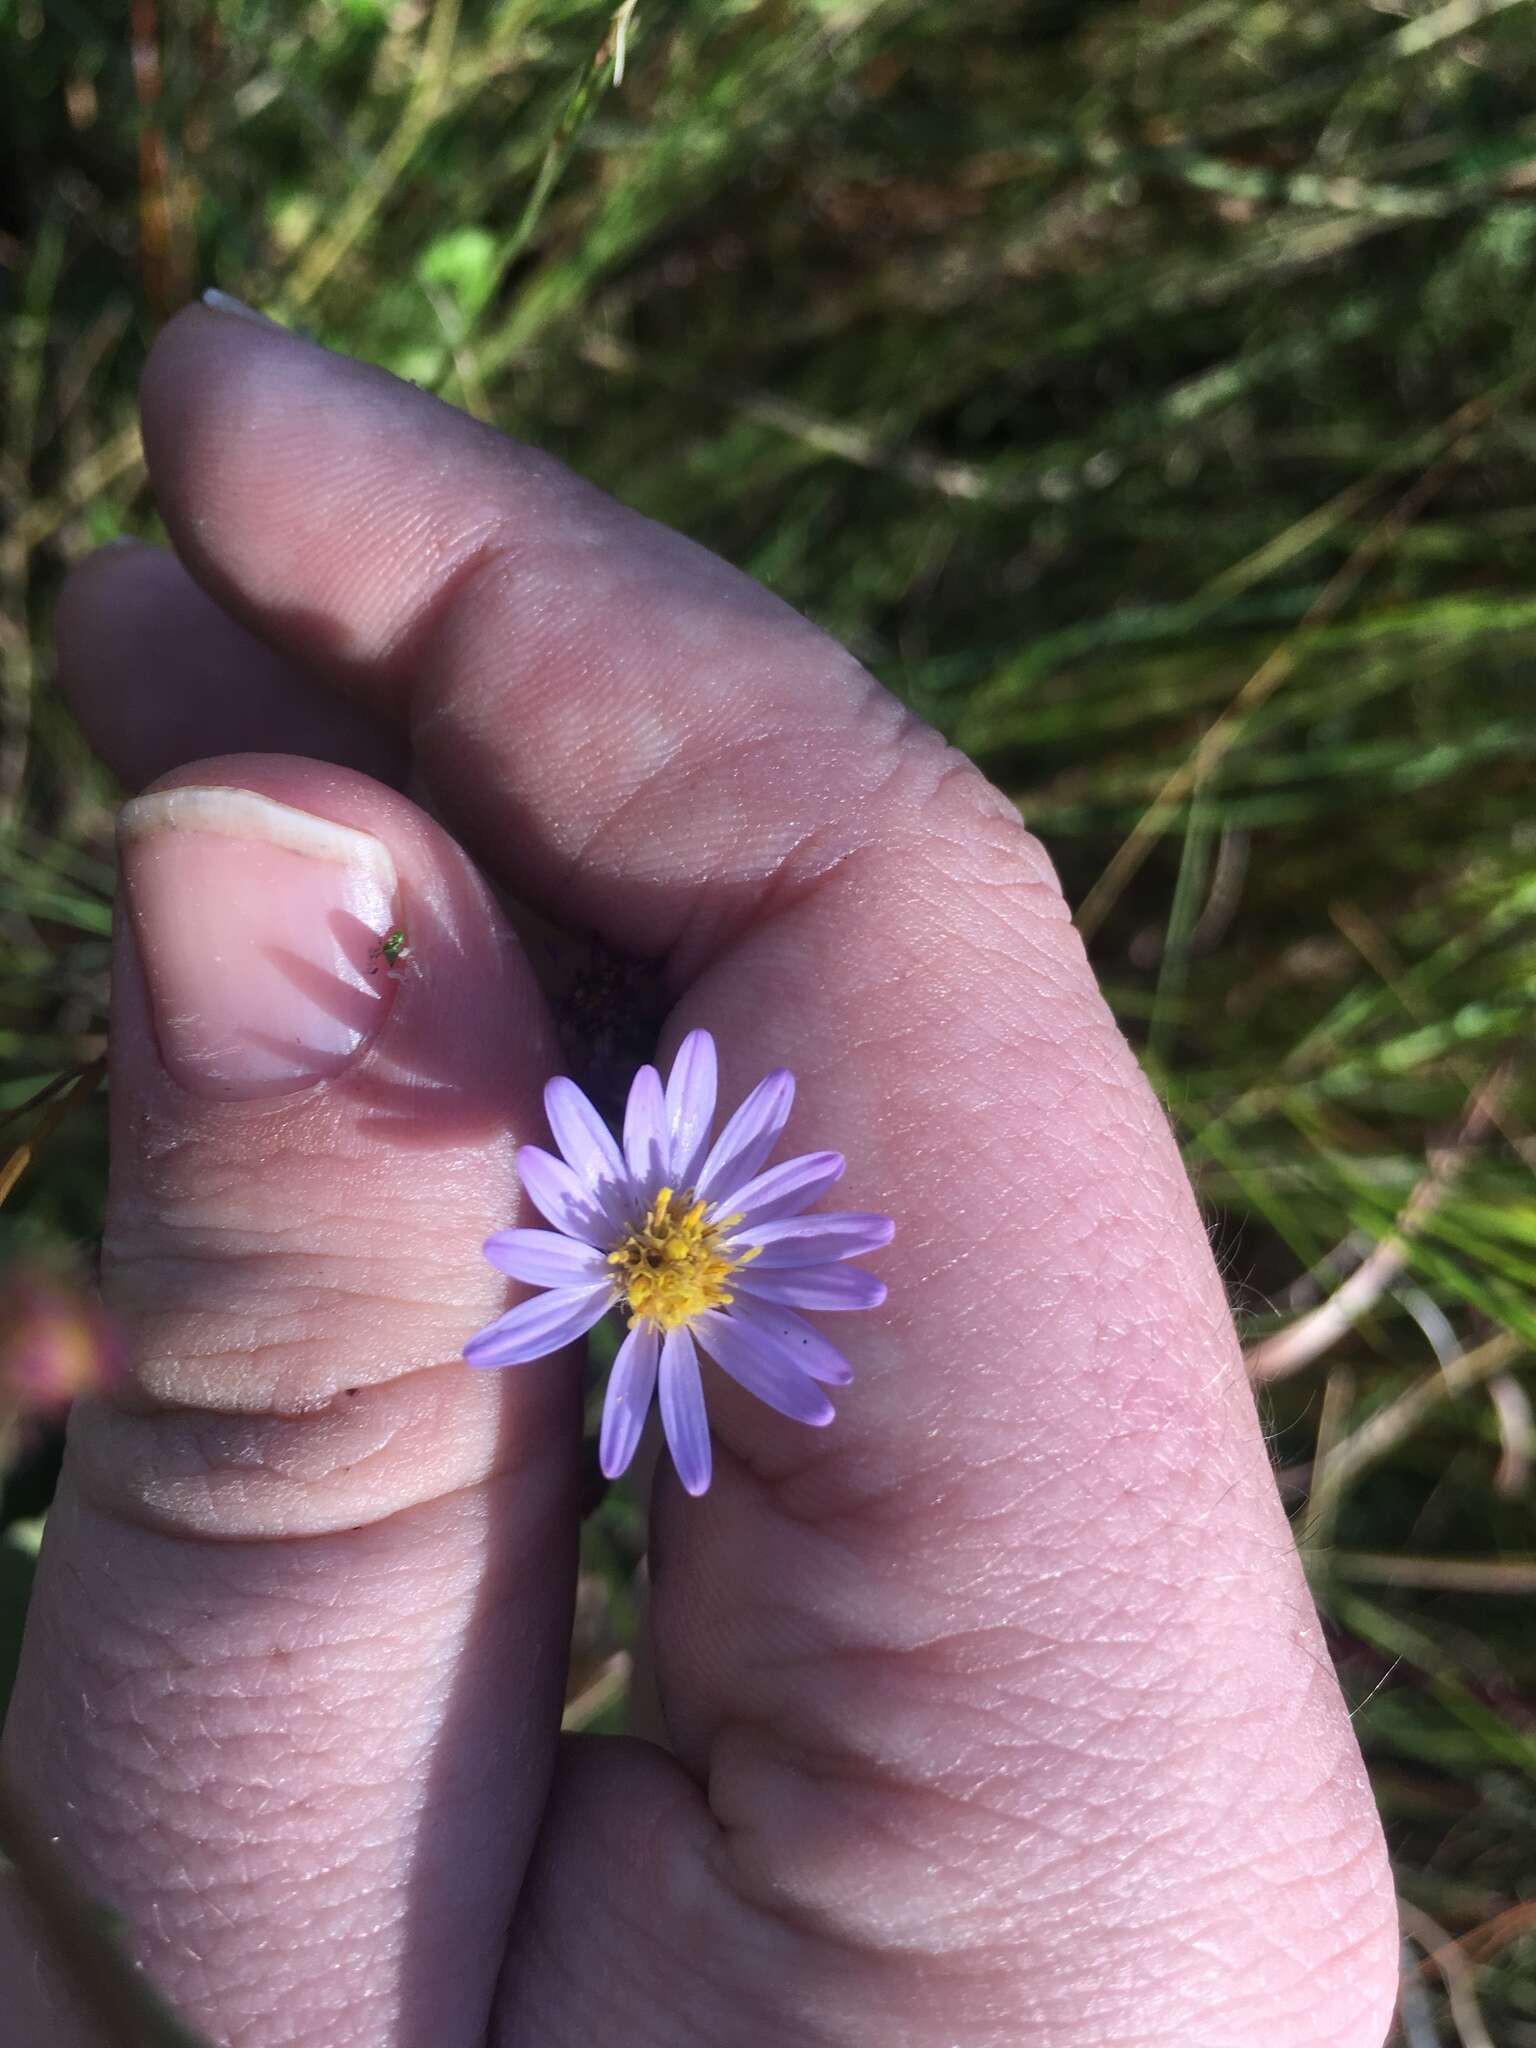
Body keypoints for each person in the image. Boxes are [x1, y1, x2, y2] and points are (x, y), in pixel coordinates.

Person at [0, 302, 1397, 2046]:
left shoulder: (684, 1290)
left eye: (677, 1250)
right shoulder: (659, 1233)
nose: (672, 1249)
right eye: (671, 1239)